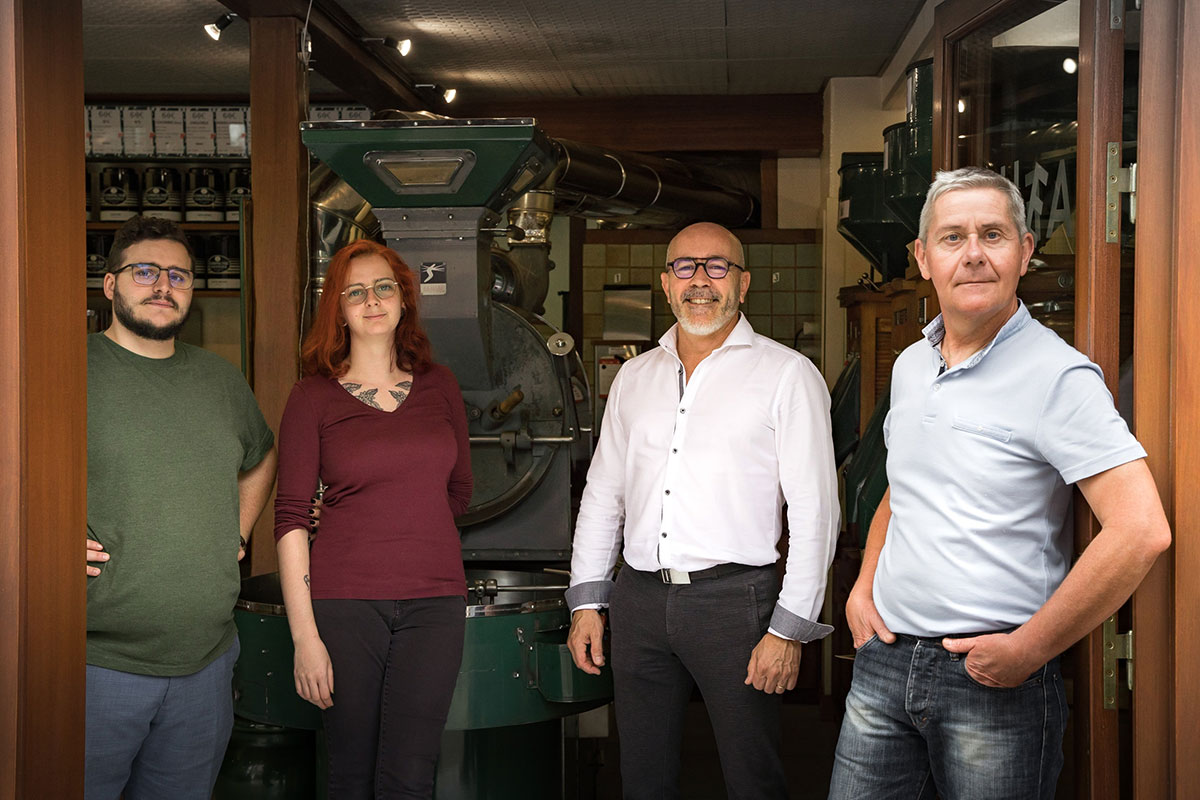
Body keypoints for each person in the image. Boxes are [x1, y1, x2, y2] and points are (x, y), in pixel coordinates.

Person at [828, 167, 1172, 800]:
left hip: (991, 682)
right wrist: (863, 584)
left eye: (993, 234)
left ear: (1025, 252)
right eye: (953, 237)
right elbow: (903, 491)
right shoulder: (910, 364)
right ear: (923, 258)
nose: (974, 254)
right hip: (883, 662)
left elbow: (1141, 531)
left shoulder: (1060, 376)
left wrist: (1028, 651)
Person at [566, 222, 840, 799]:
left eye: (717, 267)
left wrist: (788, 630)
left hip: (735, 603)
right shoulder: (634, 377)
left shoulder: (787, 375)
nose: (700, 281)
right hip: (638, 601)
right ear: (666, 284)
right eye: (685, 268)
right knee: (640, 775)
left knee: (751, 776)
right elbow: (602, 496)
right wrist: (588, 600)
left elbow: (816, 512)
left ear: (743, 285)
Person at [84, 215, 277, 799]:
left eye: (178, 275)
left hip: (208, 663)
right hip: (96, 664)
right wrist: (38, 536)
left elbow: (263, 456)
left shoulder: (219, 379)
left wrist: (237, 532)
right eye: (144, 272)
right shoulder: (65, 372)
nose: (162, 285)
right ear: (110, 284)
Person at [273, 239, 473, 799]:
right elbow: (289, 518)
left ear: (405, 300)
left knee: (411, 775)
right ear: (337, 308)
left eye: (384, 287)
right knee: (351, 773)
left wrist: (404, 522)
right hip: (343, 606)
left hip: (435, 603)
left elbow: (457, 493)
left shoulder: (441, 386)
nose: (372, 300)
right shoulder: (311, 398)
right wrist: (305, 637)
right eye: (354, 292)